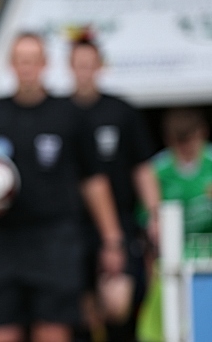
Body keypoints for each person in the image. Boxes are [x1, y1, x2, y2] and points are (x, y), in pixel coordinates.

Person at [0, 34, 125, 342]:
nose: (27, 67)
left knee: (52, 330)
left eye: (33, 60)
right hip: (1, 240)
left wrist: (112, 240)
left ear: (45, 64)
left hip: (55, 240)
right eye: (20, 60)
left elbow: (93, 180)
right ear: (11, 65)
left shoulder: (70, 114)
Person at [69, 37, 160, 341]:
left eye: (89, 64)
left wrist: (154, 215)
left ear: (99, 67)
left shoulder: (122, 112)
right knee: (78, 312)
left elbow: (142, 168)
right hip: (71, 227)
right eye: (78, 64)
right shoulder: (60, 112)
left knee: (120, 307)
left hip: (118, 223)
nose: (84, 71)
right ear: (70, 67)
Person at [154, 108, 212, 254]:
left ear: (203, 133)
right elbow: (148, 220)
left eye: (191, 140)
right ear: (168, 140)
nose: (186, 147)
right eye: (179, 142)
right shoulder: (156, 170)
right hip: (174, 252)